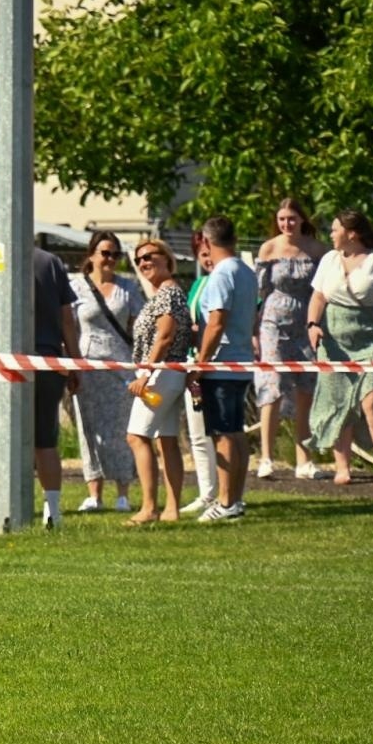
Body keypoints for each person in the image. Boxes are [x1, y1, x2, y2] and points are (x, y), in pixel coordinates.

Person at [0, 237, 82, 529]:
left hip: (5, 368)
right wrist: (75, 363)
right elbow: (67, 320)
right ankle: (52, 511)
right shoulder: (52, 263)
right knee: (45, 440)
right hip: (49, 364)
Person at [306, 209, 373, 484]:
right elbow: (318, 296)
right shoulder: (329, 260)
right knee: (337, 401)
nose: (330, 234)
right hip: (333, 341)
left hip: (370, 338)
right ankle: (343, 468)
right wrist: (312, 324)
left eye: (334, 229)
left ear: (351, 233)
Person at [253, 199, 327, 479]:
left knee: (306, 388)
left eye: (292, 218)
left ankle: (304, 459)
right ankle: (266, 457)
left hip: (305, 319)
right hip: (274, 319)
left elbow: (323, 287)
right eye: (282, 219)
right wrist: (255, 328)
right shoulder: (269, 248)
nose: (287, 224)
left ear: (302, 219)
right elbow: (261, 291)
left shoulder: (316, 249)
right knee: (272, 385)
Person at [70, 230, 142, 512]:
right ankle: (94, 492)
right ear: (92, 255)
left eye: (115, 254)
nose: (110, 259)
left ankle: (123, 491)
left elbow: (139, 324)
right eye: (105, 253)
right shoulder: (75, 287)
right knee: (89, 428)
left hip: (121, 365)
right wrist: (71, 364)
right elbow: (69, 325)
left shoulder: (128, 287)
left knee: (121, 428)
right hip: (87, 365)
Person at [124, 239, 193, 523]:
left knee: (136, 437)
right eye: (139, 259)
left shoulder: (168, 293)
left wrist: (145, 373)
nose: (143, 262)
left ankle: (149, 507)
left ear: (166, 258)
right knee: (167, 441)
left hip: (162, 372)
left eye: (149, 256)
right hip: (169, 372)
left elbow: (164, 335)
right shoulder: (166, 293)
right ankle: (171, 509)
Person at [194, 215, 258, 521]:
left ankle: (226, 502)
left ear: (207, 242)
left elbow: (216, 322)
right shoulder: (246, 270)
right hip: (242, 361)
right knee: (236, 432)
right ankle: (236, 499)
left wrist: (200, 363)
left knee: (223, 434)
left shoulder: (221, 274)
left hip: (221, 365)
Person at [181, 231, 221, 514]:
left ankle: (228, 493)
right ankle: (207, 492)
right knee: (197, 433)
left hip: (219, 364)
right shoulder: (198, 284)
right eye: (202, 255)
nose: (208, 260)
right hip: (193, 363)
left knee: (220, 432)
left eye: (210, 254)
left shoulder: (227, 280)